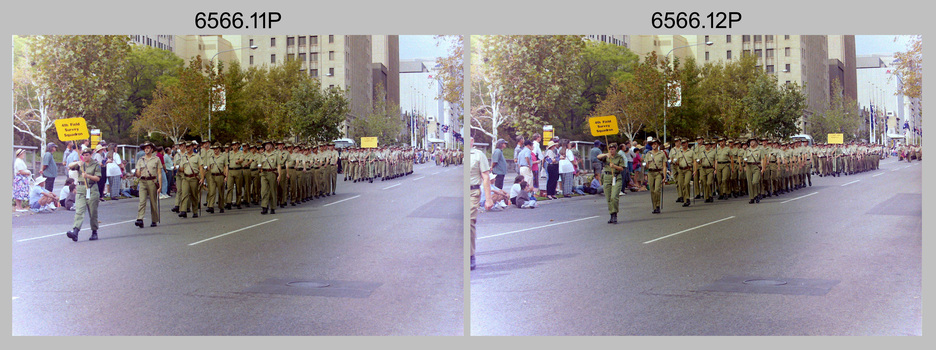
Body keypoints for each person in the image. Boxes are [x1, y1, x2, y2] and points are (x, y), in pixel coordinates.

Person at [65, 146, 102, 241]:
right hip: (81, 189)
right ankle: (75, 231)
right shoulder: (81, 164)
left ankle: (94, 231)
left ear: (91, 155)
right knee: (79, 211)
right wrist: (77, 162)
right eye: (83, 155)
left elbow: (98, 178)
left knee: (93, 212)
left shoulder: (96, 165)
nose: (85, 157)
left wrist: (88, 176)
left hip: (92, 188)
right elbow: (69, 166)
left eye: (87, 155)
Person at [469, 137, 493, 270]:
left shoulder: (478, 155)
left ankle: (470, 255)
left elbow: (486, 177)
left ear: (472, 141)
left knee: (469, 222)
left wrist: (488, 199)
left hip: (472, 193)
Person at [134, 141, 163, 228]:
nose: (146, 149)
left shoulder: (156, 159)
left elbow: (159, 174)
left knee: (153, 202)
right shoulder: (140, 160)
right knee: (142, 201)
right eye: (145, 148)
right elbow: (137, 172)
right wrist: (137, 173)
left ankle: (154, 220)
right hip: (142, 181)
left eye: (148, 148)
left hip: (152, 182)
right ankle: (140, 219)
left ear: (152, 149)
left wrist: (160, 186)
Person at [596, 142, 625, 223]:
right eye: (610, 149)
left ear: (616, 149)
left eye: (613, 149)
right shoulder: (606, 156)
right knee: (608, 197)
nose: (611, 151)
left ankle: (615, 213)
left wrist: (614, 166)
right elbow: (598, 157)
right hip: (607, 177)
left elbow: (622, 168)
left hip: (616, 177)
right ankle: (611, 214)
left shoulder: (619, 157)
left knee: (614, 197)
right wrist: (605, 155)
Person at [644, 139, 669, 214]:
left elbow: (664, 166)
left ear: (658, 145)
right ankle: (654, 207)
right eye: (652, 144)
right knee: (652, 190)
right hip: (651, 173)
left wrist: (664, 176)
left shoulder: (662, 154)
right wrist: (646, 166)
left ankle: (658, 205)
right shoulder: (648, 153)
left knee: (657, 190)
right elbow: (646, 165)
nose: (653, 145)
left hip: (658, 172)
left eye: (655, 144)